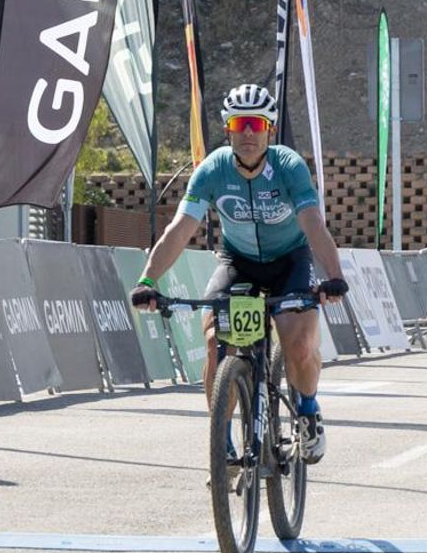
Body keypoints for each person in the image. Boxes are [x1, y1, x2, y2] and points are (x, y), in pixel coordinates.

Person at [130, 84, 347, 465]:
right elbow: (181, 228)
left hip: (289, 261)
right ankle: (222, 438)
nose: (248, 133)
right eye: (239, 124)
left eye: (255, 124)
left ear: (268, 129)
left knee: (298, 346)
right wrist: (148, 280)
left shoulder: (288, 166)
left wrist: (334, 276)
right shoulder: (213, 169)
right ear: (228, 129)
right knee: (216, 343)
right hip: (237, 261)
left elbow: (312, 222)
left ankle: (309, 408)